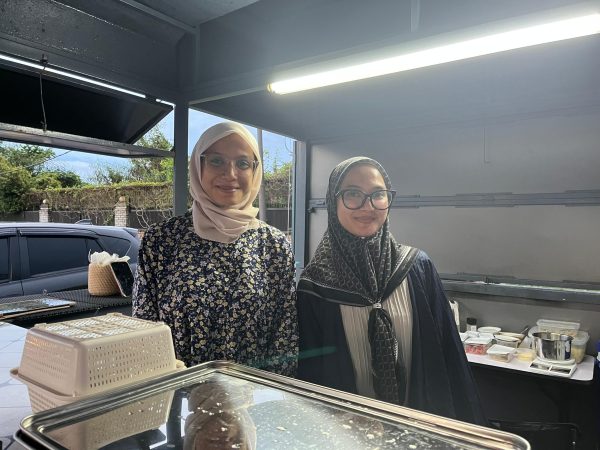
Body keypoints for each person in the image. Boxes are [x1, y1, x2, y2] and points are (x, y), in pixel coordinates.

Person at [296, 156, 487, 425]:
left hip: (421, 429)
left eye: (378, 194)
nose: (368, 206)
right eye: (353, 193)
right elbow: (311, 381)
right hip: (348, 435)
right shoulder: (315, 287)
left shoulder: (417, 268)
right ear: (332, 201)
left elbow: (449, 358)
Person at [133, 121, 297, 376]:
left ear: (255, 171)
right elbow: (143, 333)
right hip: (177, 394)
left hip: (253, 396)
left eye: (243, 163)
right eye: (217, 161)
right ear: (198, 166)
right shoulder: (161, 240)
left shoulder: (274, 246)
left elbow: (284, 340)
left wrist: (269, 397)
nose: (230, 174)